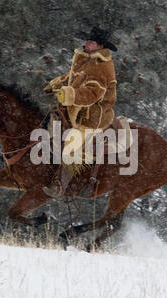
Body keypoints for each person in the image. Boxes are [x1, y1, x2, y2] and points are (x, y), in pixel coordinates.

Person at [43, 26, 118, 198]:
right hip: (76, 107)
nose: (86, 44)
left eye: (91, 42)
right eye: (87, 41)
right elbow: (73, 77)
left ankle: (60, 187)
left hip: (93, 115)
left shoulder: (102, 66)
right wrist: (56, 84)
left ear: (100, 46)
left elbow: (92, 93)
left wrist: (68, 94)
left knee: (70, 145)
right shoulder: (87, 59)